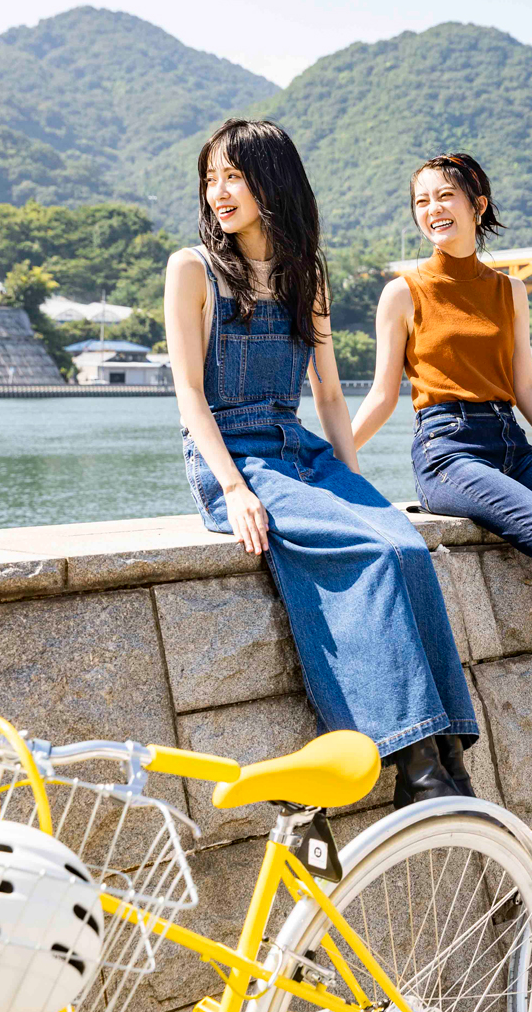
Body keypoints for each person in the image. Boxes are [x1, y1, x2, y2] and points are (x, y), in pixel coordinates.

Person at [164, 119, 478, 806]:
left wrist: (355, 483)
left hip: (298, 450)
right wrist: (233, 489)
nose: (219, 191)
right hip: (238, 458)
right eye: (211, 178)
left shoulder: (307, 273)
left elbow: (331, 395)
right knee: (366, 555)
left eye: (234, 176)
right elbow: (189, 393)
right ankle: (415, 764)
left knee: (402, 543)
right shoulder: (192, 270)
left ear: (271, 181)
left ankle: (449, 754)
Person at [352, 153, 532, 773]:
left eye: (444, 197)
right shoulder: (402, 293)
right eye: (421, 201)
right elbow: (383, 394)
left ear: (477, 205)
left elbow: (528, 388)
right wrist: (333, 459)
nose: (432, 210)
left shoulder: (508, 290)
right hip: (447, 452)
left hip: (511, 445)